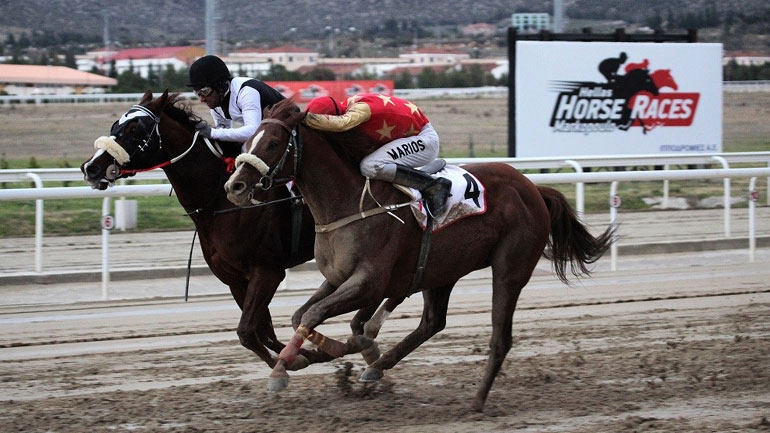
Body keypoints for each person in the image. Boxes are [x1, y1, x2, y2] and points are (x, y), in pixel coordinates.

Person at [305, 93, 451, 217]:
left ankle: (433, 185)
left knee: (370, 166)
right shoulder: (346, 107)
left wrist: (304, 119)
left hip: (424, 140)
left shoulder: (359, 111)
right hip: (411, 135)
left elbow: (340, 124)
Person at [187, 55, 285, 153]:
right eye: (197, 93)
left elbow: (252, 131)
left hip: (289, 128)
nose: (201, 99)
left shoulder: (246, 91)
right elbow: (223, 132)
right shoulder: (216, 102)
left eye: (204, 91)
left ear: (220, 86)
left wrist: (212, 132)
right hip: (268, 132)